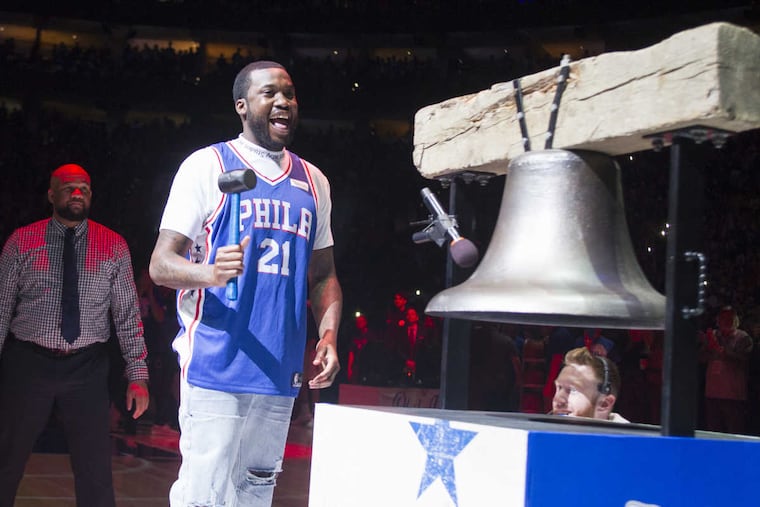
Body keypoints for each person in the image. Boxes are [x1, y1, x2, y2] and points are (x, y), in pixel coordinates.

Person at [149, 60, 342, 507]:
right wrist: (209, 273)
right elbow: (161, 265)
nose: (284, 103)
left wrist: (329, 333)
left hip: (280, 367)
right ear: (242, 105)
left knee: (255, 491)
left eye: (290, 94)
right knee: (204, 495)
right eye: (270, 93)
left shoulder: (315, 182)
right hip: (217, 361)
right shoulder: (206, 165)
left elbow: (325, 275)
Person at [0, 163, 150, 507]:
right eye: (68, 188)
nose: (77, 193)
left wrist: (137, 376)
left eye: (84, 187)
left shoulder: (113, 245)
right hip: (28, 362)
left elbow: (127, 316)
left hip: (86, 367)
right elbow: (1, 310)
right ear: (51, 195)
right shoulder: (22, 241)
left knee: (95, 469)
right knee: (6, 459)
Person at [701, 306, 753, 434]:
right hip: (712, 393)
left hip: (733, 395)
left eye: (730, 318)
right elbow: (701, 359)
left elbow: (744, 360)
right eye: (723, 318)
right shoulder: (713, 335)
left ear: (736, 321)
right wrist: (706, 345)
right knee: (713, 433)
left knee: (733, 433)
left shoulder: (743, 338)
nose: (726, 321)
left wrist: (720, 349)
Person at [550, 346, 629, 423]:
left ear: (604, 404)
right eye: (559, 388)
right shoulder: (542, 429)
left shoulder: (632, 436)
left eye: (573, 390)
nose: (558, 400)